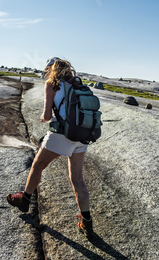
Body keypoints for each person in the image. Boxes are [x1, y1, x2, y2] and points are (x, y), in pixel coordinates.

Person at [6, 57, 94, 238]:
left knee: (38, 165)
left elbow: (47, 115)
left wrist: (44, 118)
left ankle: (24, 200)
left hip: (62, 133)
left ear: (51, 70)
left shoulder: (52, 84)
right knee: (77, 180)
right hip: (82, 136)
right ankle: (86, 222)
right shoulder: (77, 85)